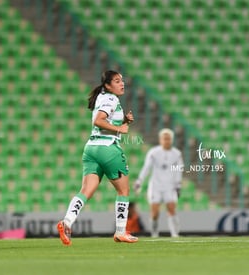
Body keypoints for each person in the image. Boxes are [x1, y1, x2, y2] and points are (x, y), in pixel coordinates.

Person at [57, 70, 138, 246]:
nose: (122, 83)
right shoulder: (111, 99)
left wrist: (123, 121)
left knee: (85, 191)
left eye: (122, 80)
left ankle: (67, 222)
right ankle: (120, 232)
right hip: (108, 148)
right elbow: (99, 120)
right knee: (123, 191)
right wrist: (120, 129)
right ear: (108, 85)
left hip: (91, 149)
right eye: (117, 81)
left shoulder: (102, 97)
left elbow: (103, 119)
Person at [134, 128, 183, 238]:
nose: (167, 141)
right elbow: (147, 167)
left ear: (172, 140)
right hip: (156, 186)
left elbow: (179, 170)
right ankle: (154, 233)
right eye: (165, 139)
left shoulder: (177, 154)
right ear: (160, 140)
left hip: (170, 186)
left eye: (169, 139)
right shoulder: (154, 153)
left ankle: (175, 233)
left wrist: (178, 185)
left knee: (171, 209)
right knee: (155, 213)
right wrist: (139, 181)